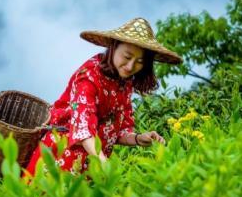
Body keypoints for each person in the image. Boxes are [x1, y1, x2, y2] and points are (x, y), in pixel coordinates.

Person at [22, 17, 182, 178]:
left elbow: (116, 131)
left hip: (93, 164)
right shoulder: (88, 78)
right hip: (61, 158)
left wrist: (139, 139)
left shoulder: (123, 83)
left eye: (139, 62)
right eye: (127, 57)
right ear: (113, 48)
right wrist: (104, 164)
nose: (130, 66)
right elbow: (83, 131)